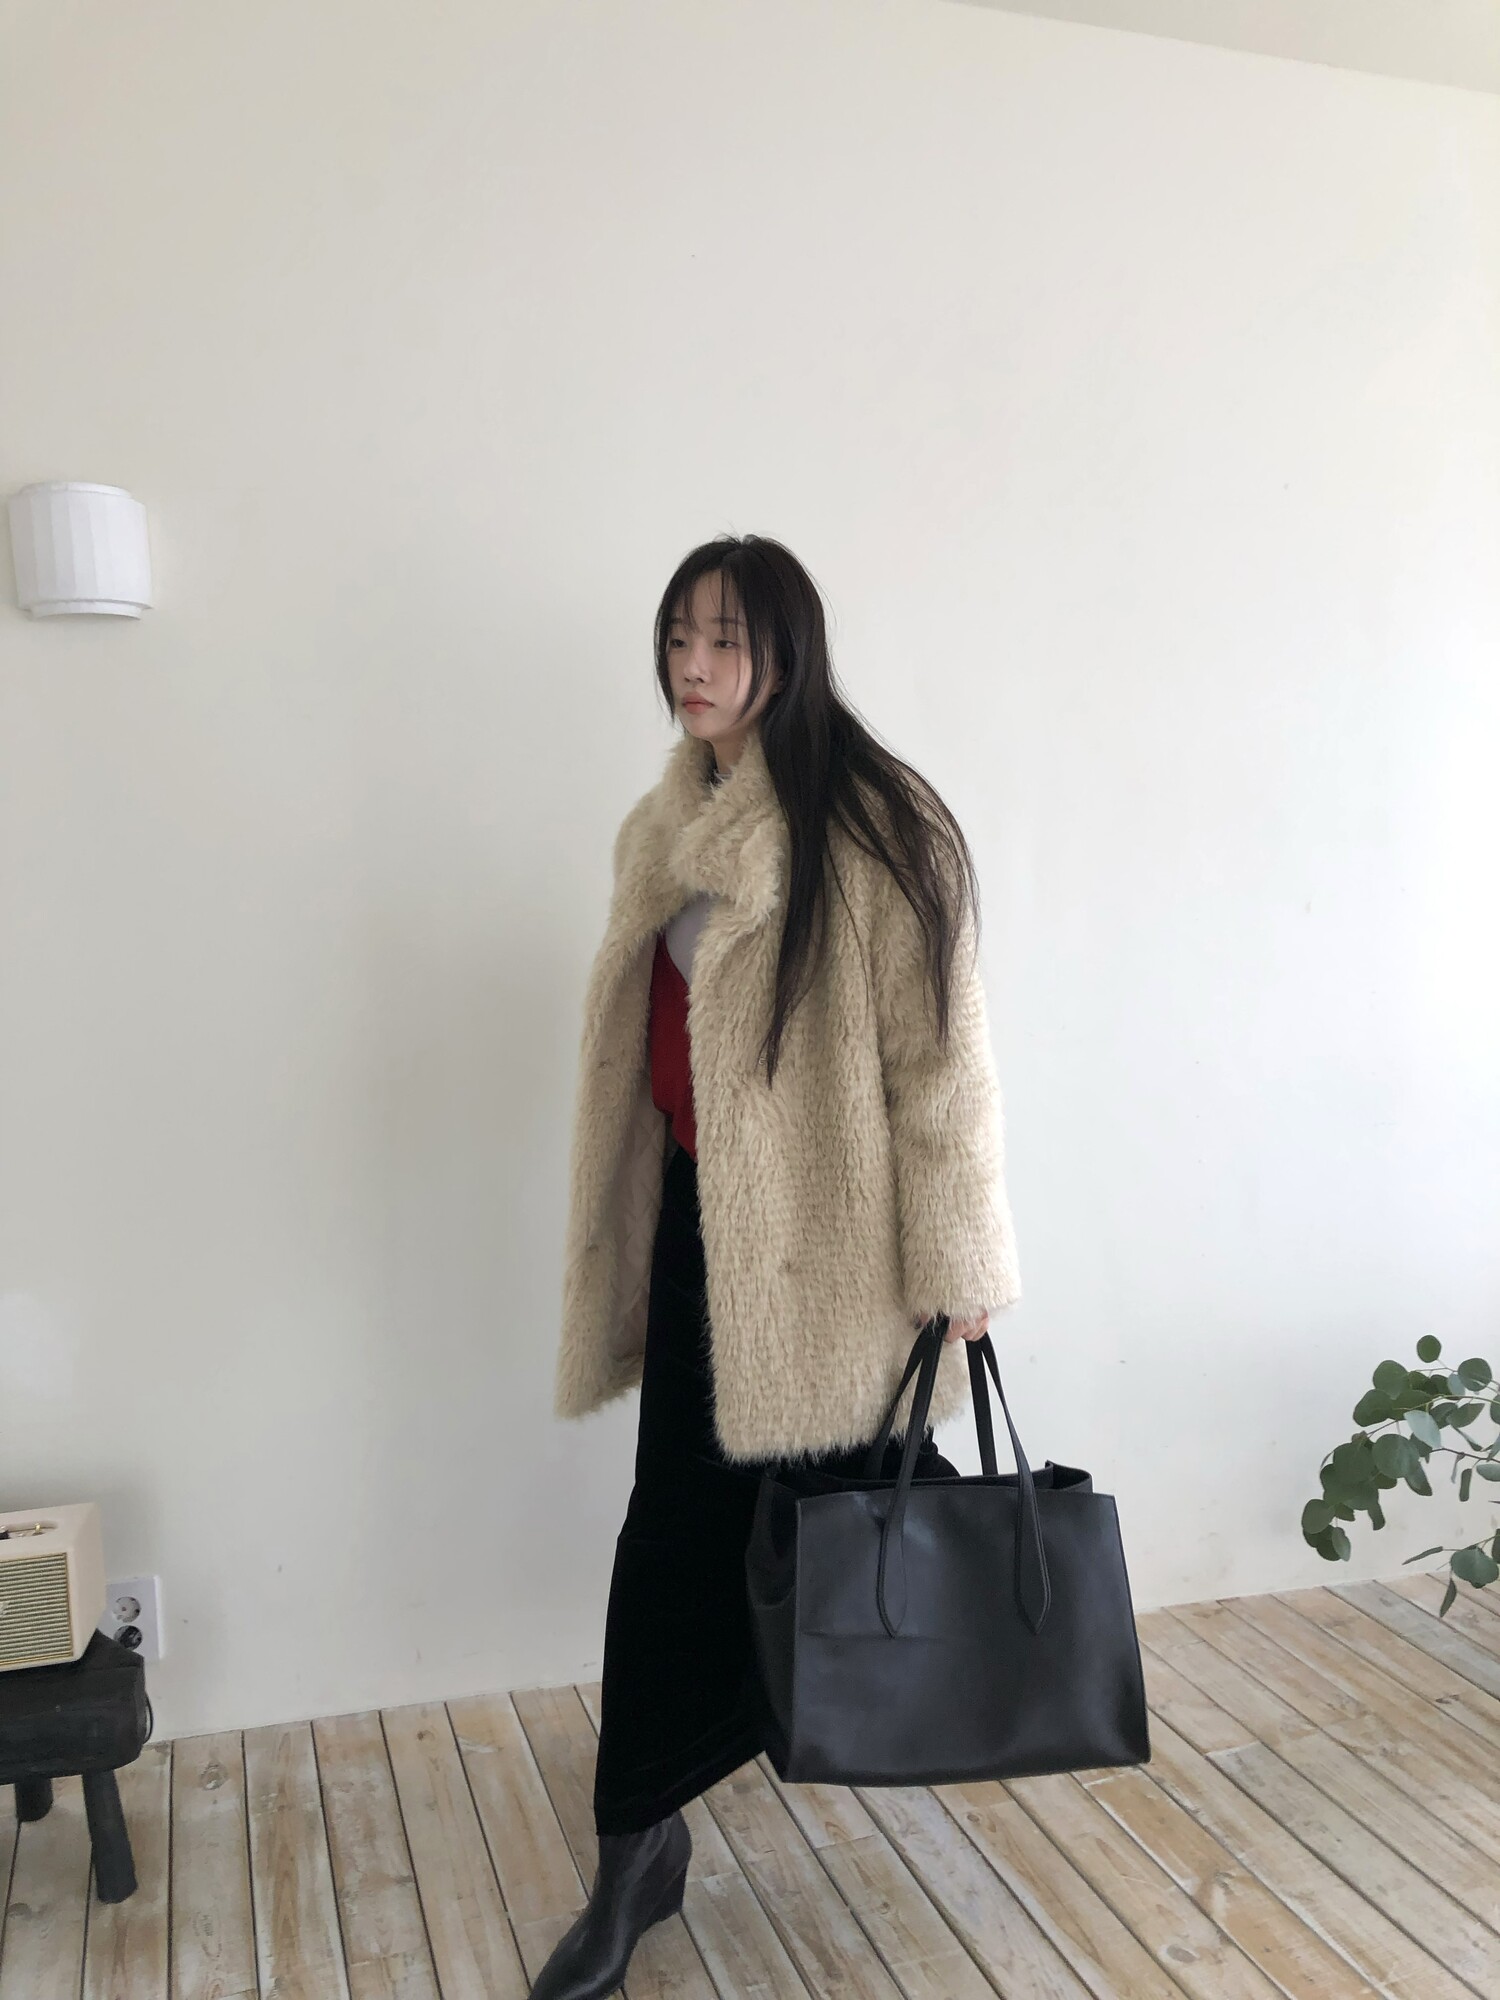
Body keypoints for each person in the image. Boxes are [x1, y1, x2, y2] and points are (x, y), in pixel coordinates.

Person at [533, 534, 1022, 1998]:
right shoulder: (663, 824)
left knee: (832, 1529)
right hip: (700, 1240)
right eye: (679, 636)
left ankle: (839, 1739)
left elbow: (944, 1070)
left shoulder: (875, 826)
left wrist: (961, 1261)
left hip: (837, 1256)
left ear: (788, 654)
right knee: (674, 1537)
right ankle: (638, 1843)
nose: (694, 667)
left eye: (726, 640)